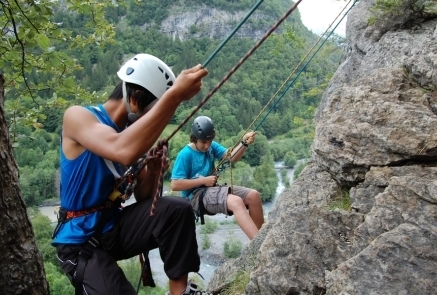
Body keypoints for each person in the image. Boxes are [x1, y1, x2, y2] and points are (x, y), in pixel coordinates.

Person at [51, 53, 211, 295]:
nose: (153, 122)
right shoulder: (78, 117)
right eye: (153, 111)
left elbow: (145, 197)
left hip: (111, 227)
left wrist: (155, 170)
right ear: (135, 99)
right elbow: (121, 150)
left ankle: (180, 292)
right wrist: (175, 96)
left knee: (177, 211)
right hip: (79, 241)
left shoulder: (131, 134)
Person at [171, 116, 264, 240]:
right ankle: (259, 245)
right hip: (194, 197)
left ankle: (262, 240)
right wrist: (204, 180)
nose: (207, 146)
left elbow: (231, 157)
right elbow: (175, 184)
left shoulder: (211, 146)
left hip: (210, 189)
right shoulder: (185, 155)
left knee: (253, 196)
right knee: (236, 202)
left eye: (209, 142)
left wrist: (244, 143)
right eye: (203, 142)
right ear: (194, 139)